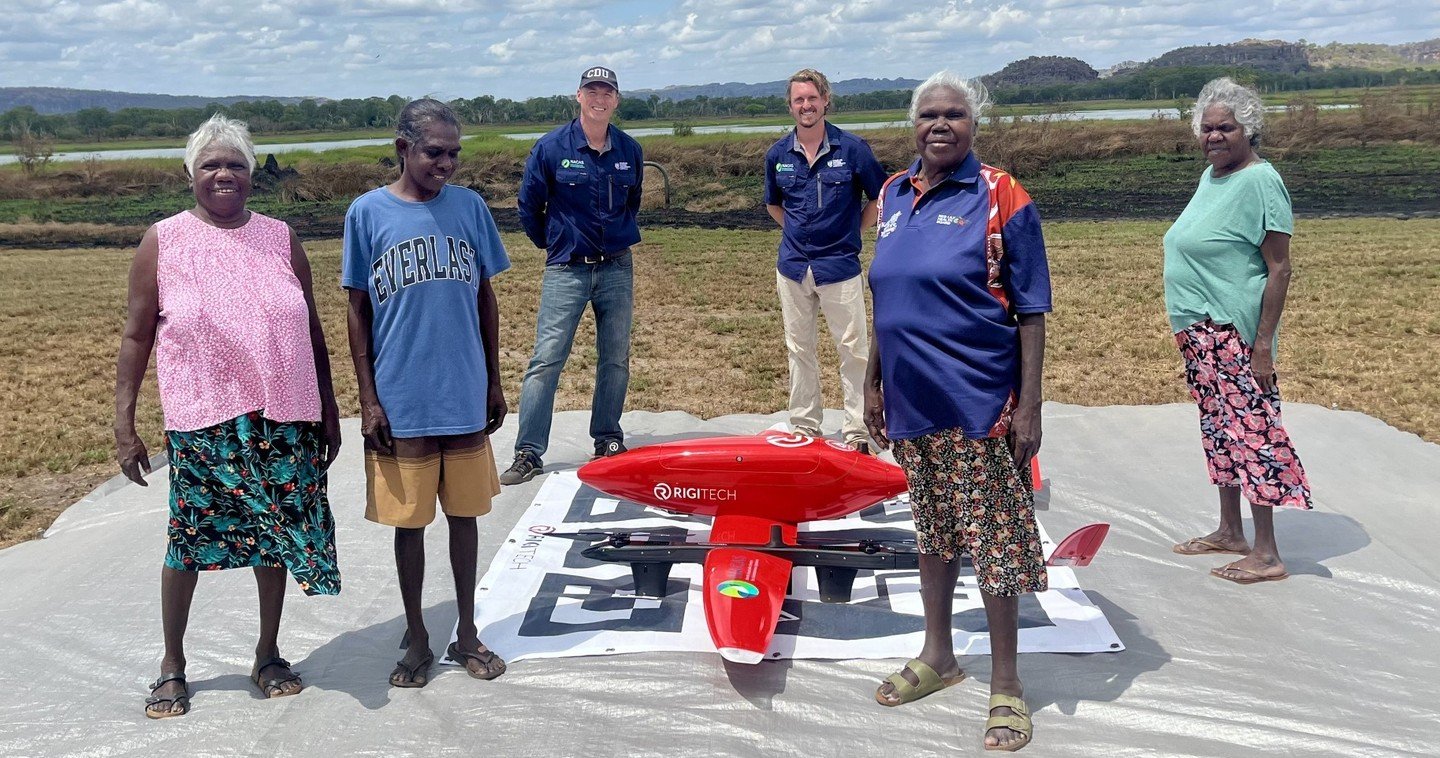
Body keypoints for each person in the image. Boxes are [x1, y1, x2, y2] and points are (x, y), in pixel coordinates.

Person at [114, 113, 342, 719]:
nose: (224, 173)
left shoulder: (280, 237)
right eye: (211, 164)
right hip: (204, 417)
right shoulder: (162, 241)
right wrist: (124, 424)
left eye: (236, 164)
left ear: (251, 175)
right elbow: (137, 336)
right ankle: (172, 666)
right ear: (190, 173)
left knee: (273, 539)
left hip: (284, 414)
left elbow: (312, 329)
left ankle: (268, 654)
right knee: (187, 543)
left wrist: (328, 406)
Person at [864, 71, 1050, 752]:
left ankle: (1007, 685)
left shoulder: (1000, 194)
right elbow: (885, 295)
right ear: (914, 125)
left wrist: (1028, 407)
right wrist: (871, 382)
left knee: (995, 544)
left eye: (954, 115)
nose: (939, 125)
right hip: (913, 402)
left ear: (975, 124)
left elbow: (1031, 310)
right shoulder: (891, 193)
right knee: (934, 533)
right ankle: (939, 655)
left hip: (980, 402)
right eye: (928, 115)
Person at [342, 99, 510, 686]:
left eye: (454, 153)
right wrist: (368, 397)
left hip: (462, 391)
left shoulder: (469, 208)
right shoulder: (367, 214)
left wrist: (492, 379)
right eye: (434, 152)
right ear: (403, 150)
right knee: (408, 523)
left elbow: (485, 297)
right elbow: (357, 310)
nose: (446, 164)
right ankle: (416, 634)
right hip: (402, 399)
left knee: (464, 517)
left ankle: (466, 631)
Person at [1164, 77, 1313, 583]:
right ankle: (1231, 530)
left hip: (1232, 330)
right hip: (1197, 330)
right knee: (1220, 433)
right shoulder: (1214, 176)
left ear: (1248, 129)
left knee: (1253, 435)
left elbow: (1280, 267)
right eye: (1206, 129)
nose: (1214, 137)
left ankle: (1268, 552)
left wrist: (1264, 344)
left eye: (1225, 128)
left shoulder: (1261, 180)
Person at [502, 65, 644, 485]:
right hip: (567, 268)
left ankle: (607, 439)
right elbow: (529, 207)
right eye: (591, 91)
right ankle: (528, 451)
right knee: (546, 361)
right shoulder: (550, 147)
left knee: (615, 358)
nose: (599, 98)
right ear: (578, 96)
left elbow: (631, 203)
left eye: (607, 92)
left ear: (616, 100)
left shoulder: (629, 150)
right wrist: (555, 245)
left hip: (617, 266)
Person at [763, 68, 887, 452]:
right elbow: (773, 204)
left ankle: (856, 431)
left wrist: (852, 232)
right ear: (790, 106)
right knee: (799, 348)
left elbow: (880, 198)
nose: (806, 106)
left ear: (825, 101)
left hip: (840, 267)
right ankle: (804, 427)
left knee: (852, 350)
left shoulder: (852, 149)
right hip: (794, 268)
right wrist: (798, 235)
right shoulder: (777, 155)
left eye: (812, 99)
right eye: (799, 99)